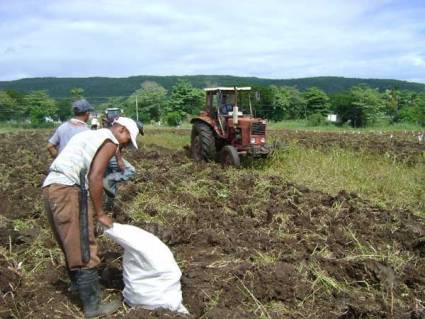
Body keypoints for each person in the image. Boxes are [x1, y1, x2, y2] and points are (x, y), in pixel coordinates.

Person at [42, 117, 140, 318]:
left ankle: (78, 289)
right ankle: (93, 307)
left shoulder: (89, 134)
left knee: (70, 242)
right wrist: (100, 213)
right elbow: (95, 176)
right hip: (69, 189)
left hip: (51, 186)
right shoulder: (110, 141)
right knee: (84, 245)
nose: (126, 145)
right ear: (121, 130)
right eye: (128, 140)